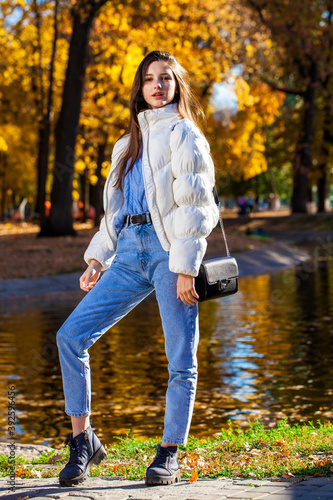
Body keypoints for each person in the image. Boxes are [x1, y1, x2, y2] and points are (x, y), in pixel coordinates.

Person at [56, 50, 219, 488]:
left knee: (180, 358)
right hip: (128, 253)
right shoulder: (125, 145)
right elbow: (115, 211)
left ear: (176, 85)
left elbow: (196, 205)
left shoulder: (185, 133)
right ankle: (83, 441)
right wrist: (97, 257)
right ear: (140, 88)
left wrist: (186, 266)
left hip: (170, 254)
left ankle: (169, 452)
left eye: (165, 78)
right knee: (70, 336)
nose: (157, 85)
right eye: (149, 79)